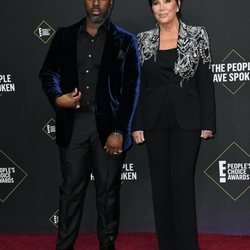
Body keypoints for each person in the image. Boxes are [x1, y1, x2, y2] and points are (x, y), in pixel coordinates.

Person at [39, 0, 140, 249]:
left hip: (108, 129)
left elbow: (131, 89)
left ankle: (107, 245)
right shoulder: (64, 35)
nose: (96, 3)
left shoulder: (125, 41)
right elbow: (48, 72)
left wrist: (119, 130)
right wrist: (56, 96)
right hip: (74, 125)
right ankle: (64, 246)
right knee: (71, 191)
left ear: (111, 3)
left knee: (108, 192)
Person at [132, 0, 215, 249]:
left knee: (181, 180)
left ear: (178, 5)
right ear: (152, 9)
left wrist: (207, 121)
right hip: (153, 120)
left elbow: (205, 80)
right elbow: (137, 86)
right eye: (155, 3)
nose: (161, 7)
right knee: (160, 183)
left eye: (167, 0)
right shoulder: (142, 40)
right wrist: (136, 123)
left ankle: (187, 245)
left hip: (187, 120)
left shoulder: (198, 35)